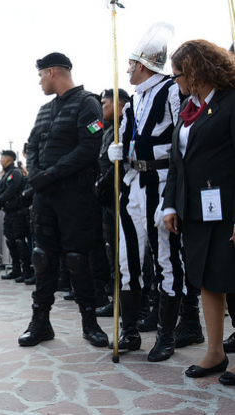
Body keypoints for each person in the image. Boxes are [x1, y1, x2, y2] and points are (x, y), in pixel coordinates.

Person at [108, 24, 192, 362]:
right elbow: (129, 139)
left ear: (142, 65)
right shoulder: (131, 103)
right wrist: (119, 152)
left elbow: (181, 138)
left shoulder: (171, 91)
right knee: (127, 260)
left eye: (130, 64)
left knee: (166, 260)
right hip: (132, 186)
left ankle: (166, 335)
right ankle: (129, 331)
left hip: (161, 182)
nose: (127, 70)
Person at [20, 52, 108, 348]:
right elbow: (31, 146)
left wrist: (51, 175)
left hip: (76, 198)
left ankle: (89, 322)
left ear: (53, 72)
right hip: (45, 197)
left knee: (77, 259)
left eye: (41, 75)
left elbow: (88, 148)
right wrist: (35, 175)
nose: (40, 81)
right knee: (42, 258)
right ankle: (40, 323)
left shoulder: (88, 103)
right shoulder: (44, 110)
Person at [163, 39, 235, 385]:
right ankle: (215, 351)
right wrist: (171, 205)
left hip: (228, 208)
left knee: (232, 280)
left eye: (177, 74)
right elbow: (178, 162)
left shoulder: (231, 103)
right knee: (207, 278)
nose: (174, 80)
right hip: (196, 210)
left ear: (194, 70)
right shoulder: (189, 109)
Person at [95, 88, 131, 318]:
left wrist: (101, 184)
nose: (101, 108)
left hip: (119, 192)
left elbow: (119, 165)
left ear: (120, 104)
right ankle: (116, 298)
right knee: (111, 249)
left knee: (126, 250)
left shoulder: (124, 126)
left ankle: (140, 301)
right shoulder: (105, 128)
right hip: (106, 198)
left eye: (105, 103)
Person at [0, 150, 32, 283]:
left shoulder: (14, 173)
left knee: (20, 241)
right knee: (11, 241)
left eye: (2, 158)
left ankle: (26, 270)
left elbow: (12, 190)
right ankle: (16, 270)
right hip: (9, 212)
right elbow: (1, 190)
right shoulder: (7, 174)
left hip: (18, 212)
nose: (0, 160)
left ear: (9, 159)